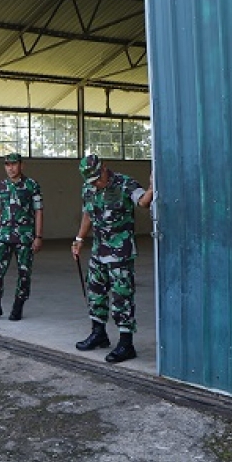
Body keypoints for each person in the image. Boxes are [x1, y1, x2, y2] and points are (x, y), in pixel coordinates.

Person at [71, 154, 154, 363]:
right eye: (91, 181)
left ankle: (126, 344)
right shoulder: (88, 188)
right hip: (99, 251)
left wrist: (152, 187)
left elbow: (143, 202)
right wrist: (79, 238)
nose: (96, 184)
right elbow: (88, 214)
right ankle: (99, 334)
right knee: (95, 293)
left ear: (104, 167)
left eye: (98, 178)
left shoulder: (125, 183)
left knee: (121, 298)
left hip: (121, 253)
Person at [0, 153, 44, 322]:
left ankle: (18, 306)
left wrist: (38, 236)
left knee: (24, 273)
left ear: (22, 165)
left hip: (25, 236)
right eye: (7, 165)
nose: (10, 168)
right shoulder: (1, 186)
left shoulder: (32, 185)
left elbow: (38, 211)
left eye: (14, 164)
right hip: (3, 235)